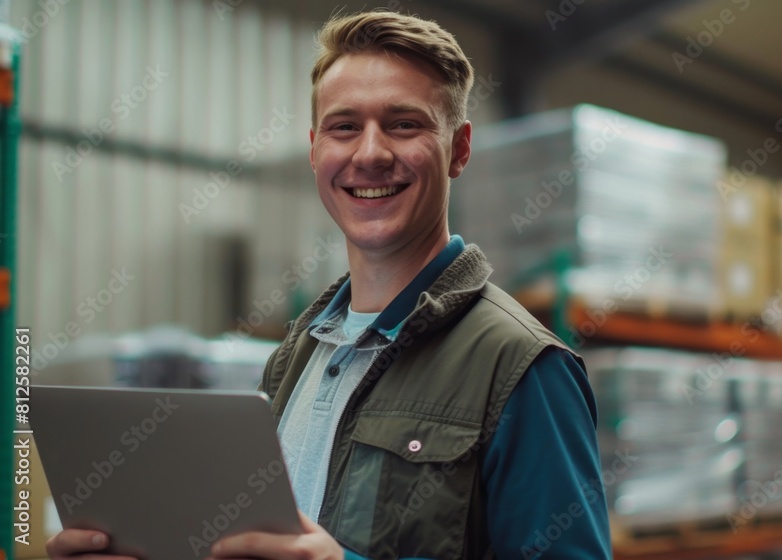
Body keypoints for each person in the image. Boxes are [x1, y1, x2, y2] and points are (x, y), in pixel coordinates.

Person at [46, 10, 611, 560]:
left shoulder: (521, 368)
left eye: (404, 124)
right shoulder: (298, 356)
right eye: (345, 127)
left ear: (459, 149)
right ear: (316, 148)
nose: (369, 153)